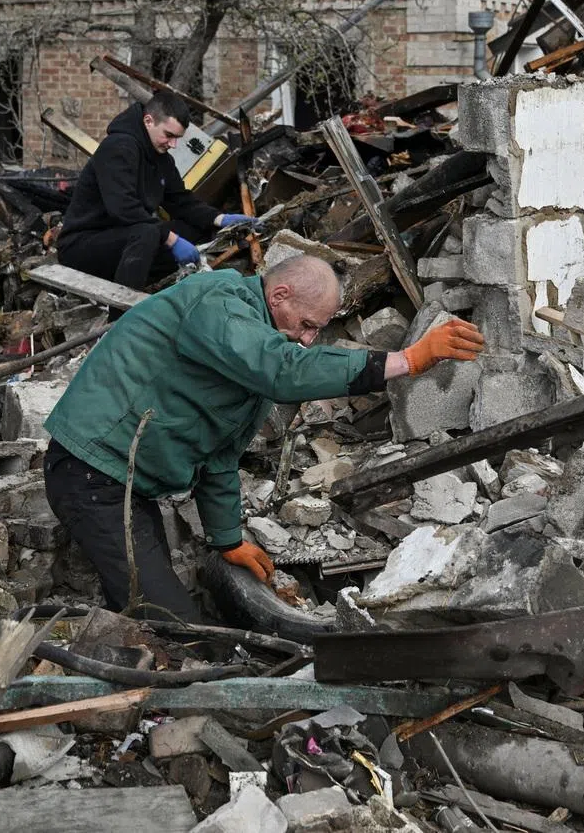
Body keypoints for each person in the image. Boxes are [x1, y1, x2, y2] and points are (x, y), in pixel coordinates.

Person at [42, 254, 485, 622]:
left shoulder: (249, 353)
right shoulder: (220, 302)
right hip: (92, 472)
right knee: (169, 622)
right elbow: (285, 372)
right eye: (308, 325)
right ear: (279, 296)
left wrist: (227, 538)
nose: (309, 340)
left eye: (318, 331)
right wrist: (404, 360)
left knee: (163, 600)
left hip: (124, 482)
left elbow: (217, 456)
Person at [55, 90, 257, 290]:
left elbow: (180, 201)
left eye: (177, 137)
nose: (173, 144)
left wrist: (221, 220)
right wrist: (171, 239)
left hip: (124, 240)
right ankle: (121, 311)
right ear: (148, 121)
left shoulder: (162, 159)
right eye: (169, 135)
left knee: (195, 227)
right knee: (148, 232)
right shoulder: (118, 148)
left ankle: (160, 285)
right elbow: (123, 209)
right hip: (83, 245)